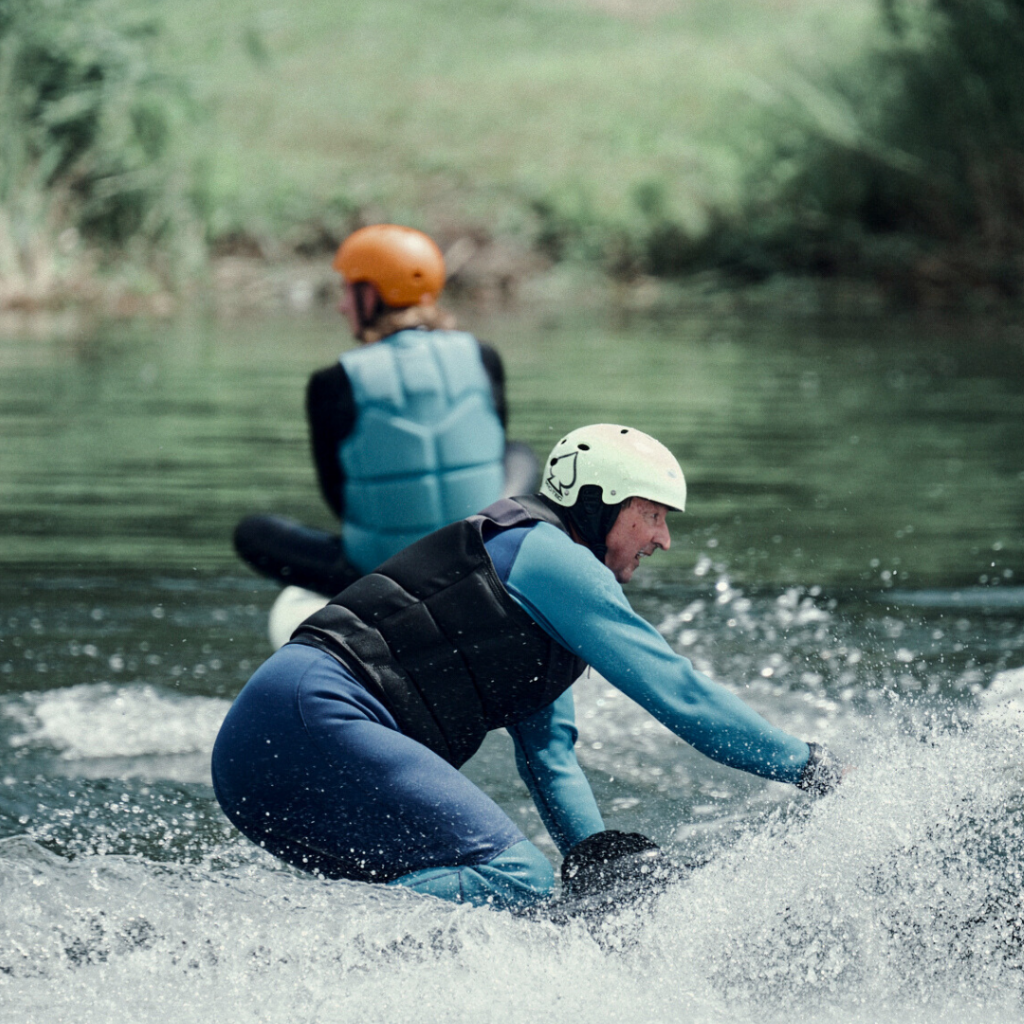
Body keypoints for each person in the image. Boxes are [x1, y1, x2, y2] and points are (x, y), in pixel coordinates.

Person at [212, 424, 842, 911]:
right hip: (309, 717)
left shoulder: (538, 596)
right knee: (516, 880)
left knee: (508, 895)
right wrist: (814, 767)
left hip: (272, 755)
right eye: (651, 515)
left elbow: (550, 757)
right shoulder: (551, 560)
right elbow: (682, 697)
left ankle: (306, 966)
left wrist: (593, 867)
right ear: (599, 505)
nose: (663, 540)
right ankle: (309, 951)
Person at [233, 223, 514, 597]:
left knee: (252, 534)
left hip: (383, 579)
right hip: (479, 562)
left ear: (372, 294)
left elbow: (340, 499)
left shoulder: (333, 381)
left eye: (348, 290)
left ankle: (363, 603)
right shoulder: (484, 356)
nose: (341, 305)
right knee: (517, 454)